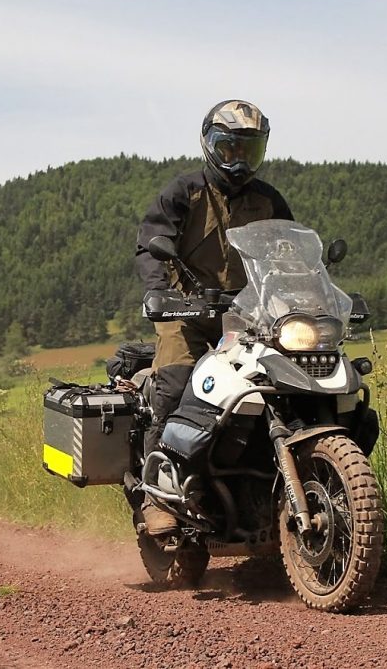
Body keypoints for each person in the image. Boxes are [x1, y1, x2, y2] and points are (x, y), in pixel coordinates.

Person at [134, 99, 293, 535]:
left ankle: (264, 493)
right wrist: (160, 294)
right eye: (230, 148)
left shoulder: (268, 201)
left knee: (281, 384)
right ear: (209, 144)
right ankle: (158, 492)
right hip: (186, 310)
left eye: (250, 150)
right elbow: (151, 246)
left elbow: (291, 255)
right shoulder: (183, 192)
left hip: (247, 314)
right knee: (177, 381)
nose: (240, 160)